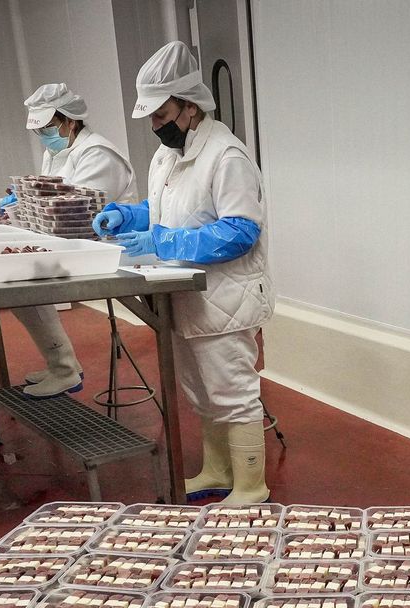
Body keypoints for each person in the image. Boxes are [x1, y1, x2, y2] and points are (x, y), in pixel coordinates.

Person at [93, 41, 272, 504]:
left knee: (232, 390)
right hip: (184, 295)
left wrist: (162, 242)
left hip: (224, 299)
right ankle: (216, 470)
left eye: (160, 115)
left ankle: (251, 487)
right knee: (201, 392)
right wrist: (131, 217)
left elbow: (239, 232)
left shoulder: (227, 155)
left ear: (189, 106)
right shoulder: (168, 155)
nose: (155, 126)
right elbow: (167, 207)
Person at [0, 83, 137, 399]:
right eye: (40, 131)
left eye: (48, 128)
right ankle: (62, 364)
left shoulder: (98, 154)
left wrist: (25, 206)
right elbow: (49, 198)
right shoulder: (58, 151)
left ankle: (64, 370)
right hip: (72, 242)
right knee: (15, 278)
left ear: (70, 121)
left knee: (22, 278)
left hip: (104, 246)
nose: (44, 137)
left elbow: (74, 210)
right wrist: (19, 200)